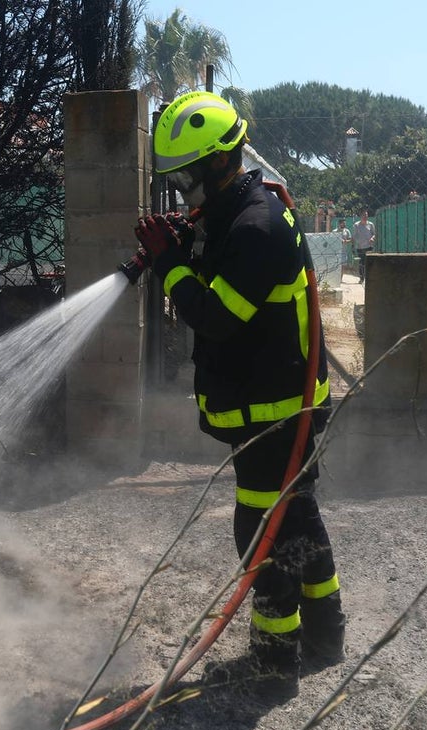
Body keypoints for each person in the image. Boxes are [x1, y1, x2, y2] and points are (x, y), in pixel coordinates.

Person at [132, 91, 346, 698]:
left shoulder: (254, 227)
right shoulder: (239, 210)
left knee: (261, 532)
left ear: (222, 161)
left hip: (274, 416)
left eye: (188, 178)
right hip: (278, 404)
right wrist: (186, 245)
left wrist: (171, 263)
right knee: (297, 515)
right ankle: (325, 635)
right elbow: (219, 272)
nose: (183, 192)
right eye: (175, 182)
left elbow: (216, 315)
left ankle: (275, 662)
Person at [352, 209, 375, 284]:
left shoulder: (371, 224)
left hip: (369, 247)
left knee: (369, 262)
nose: (366, 216)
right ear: (361, 216)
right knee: (361, 263)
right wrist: (353, 246)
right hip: (360, 247)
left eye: (367, 215)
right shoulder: (356, 225)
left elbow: (374, 234)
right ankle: (361, 278)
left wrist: (372, 238)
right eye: (364, 215)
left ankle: (369, 278)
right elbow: (354, 236)